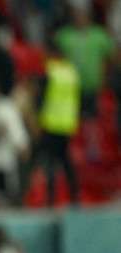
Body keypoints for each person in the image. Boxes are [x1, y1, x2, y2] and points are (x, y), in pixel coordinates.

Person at [35, 40, 80, 206]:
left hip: (51, 122)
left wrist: (38, 120)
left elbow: (41, 98)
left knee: (50, 161)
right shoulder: (71, 72)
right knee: (65, 160)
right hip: (67, 122)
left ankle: (50, 198)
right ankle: (74, 196)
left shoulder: (50, 71)